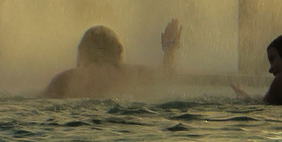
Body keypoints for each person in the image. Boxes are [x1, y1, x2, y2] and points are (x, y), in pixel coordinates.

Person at [43, 18, 181, 99]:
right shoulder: (130, 74)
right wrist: (170, 49)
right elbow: (167, 76)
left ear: (82, 51)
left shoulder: (65, 79)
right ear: (119, 51)